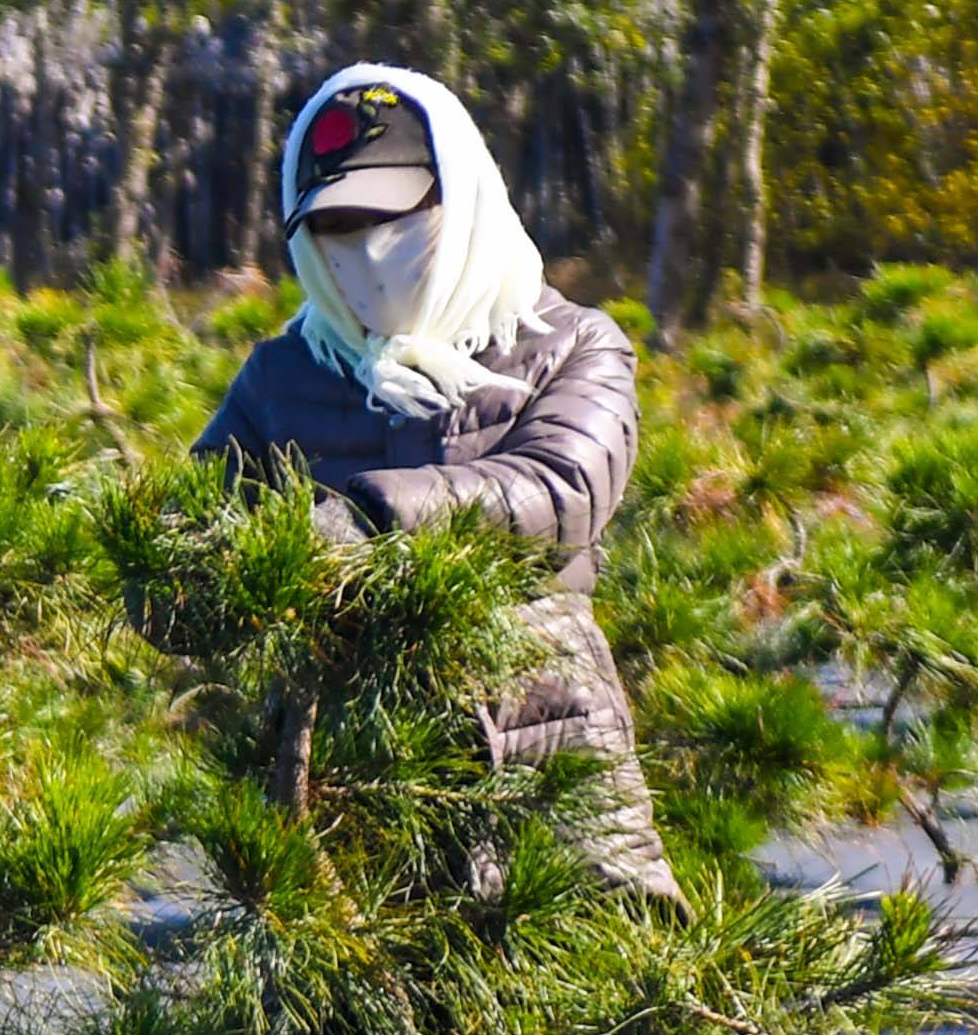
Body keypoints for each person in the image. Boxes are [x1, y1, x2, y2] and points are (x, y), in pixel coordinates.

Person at [192, 65, 680, 899]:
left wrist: (371, 515)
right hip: (352, 785)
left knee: (592, 1008)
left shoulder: (571, 346)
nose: (369, 252)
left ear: (464, 195)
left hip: (544, 753)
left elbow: (562, 490)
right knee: (351, 1020)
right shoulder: (282, 375)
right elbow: (189, 548)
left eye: (397, 219)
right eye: (340, 228)